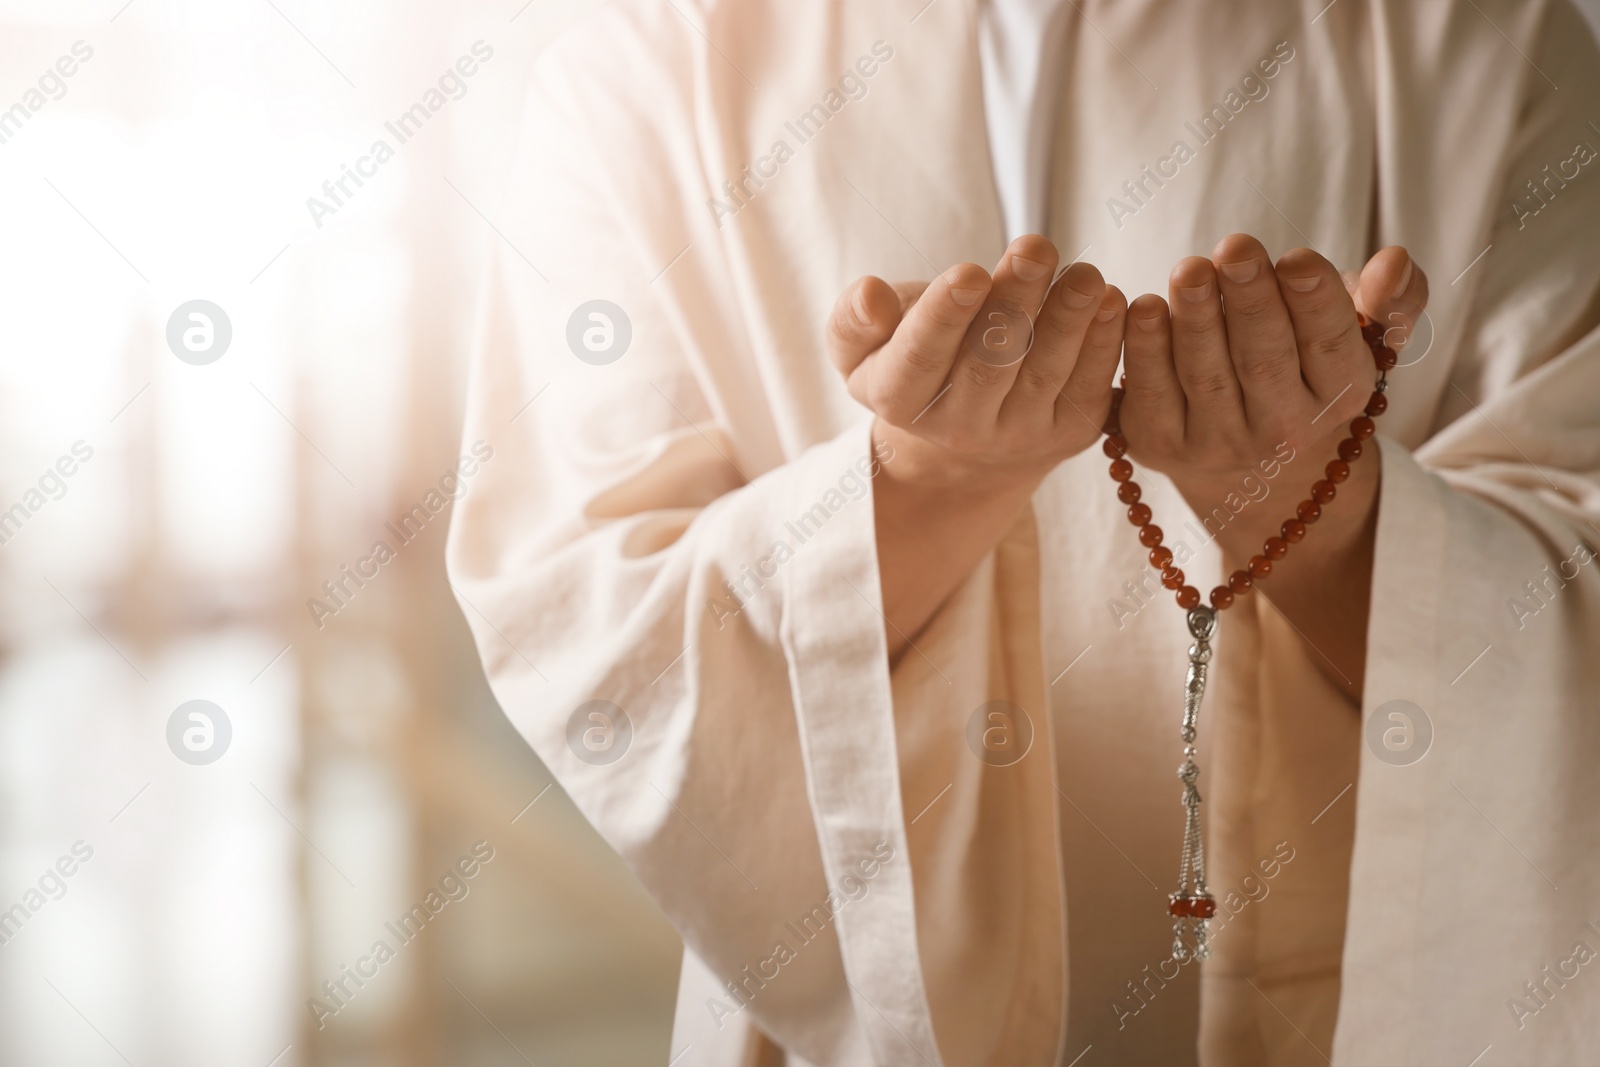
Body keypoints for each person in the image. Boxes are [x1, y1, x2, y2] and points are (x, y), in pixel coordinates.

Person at [446, 1, 1600, 1063]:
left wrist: (1314, 505)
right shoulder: (646, 67)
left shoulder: (1484, 46)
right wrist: (919, 487)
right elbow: (591, 630)